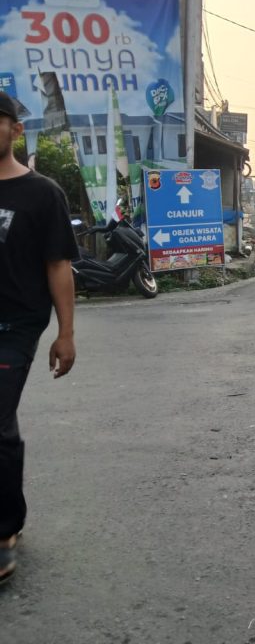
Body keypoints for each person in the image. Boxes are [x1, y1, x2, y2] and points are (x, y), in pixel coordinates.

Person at [0, 91, 78, 585]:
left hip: (16, 325)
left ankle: (4, 531)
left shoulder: (42, 193)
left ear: (14, 130)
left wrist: (66, 333)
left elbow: (58, 265)